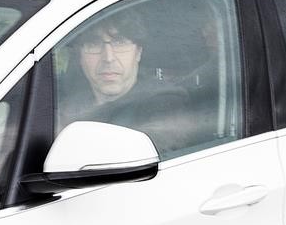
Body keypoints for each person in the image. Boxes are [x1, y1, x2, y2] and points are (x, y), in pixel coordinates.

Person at [58, 9, 189, 155]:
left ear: (138, 52)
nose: (108, 58)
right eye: (94, 44)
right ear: (80, 57)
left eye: (119, 42)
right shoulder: (65, 109)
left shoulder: (164, 103)